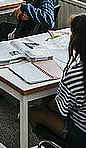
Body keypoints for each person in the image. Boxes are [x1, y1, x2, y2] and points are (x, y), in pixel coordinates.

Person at [29, 14, 86, 148]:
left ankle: (51, 144)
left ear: (76, 40)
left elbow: (60, 109)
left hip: (81, 135)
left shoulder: (76, 74)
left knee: (33, 111)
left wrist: (47, 103)